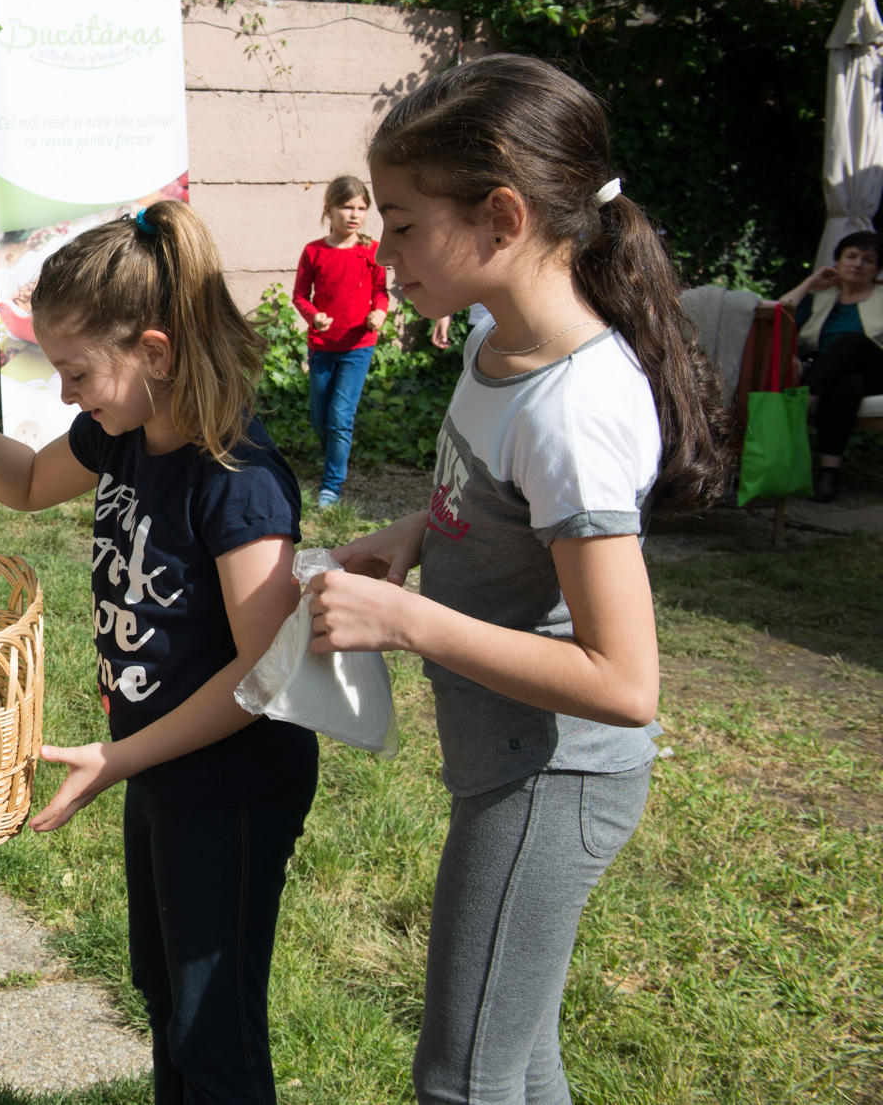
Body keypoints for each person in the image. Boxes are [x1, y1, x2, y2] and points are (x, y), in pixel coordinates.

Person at [304, 55, 729, 1105]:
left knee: (462, 1078)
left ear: (499, 217)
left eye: (402, 225)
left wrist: (406, 619)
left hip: (552, 775)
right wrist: (413, 531)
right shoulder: (496, 340)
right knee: (518, 1062)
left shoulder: (572, 410)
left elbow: (623, 680)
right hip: (507, 760)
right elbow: (488, 497)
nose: (383, 250)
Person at [0, 200, 315, 1105]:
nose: (69, 392)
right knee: (166, 996)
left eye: (78, 371)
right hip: (161, 766)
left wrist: (118, 756)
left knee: (214, 1025)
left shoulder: (238, 482)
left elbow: (268, 672)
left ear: (154, 353)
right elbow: (33, 481)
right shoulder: (124, 431)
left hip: (230, 782)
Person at [293, 174, 390, 508]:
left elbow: (381, 293)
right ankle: (336, 452)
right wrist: (314, 316)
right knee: (321, 418)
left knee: (339, 418)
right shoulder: (314, 252)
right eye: (347, 207)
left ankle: (331, 485)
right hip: (321, 347)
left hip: (358, 347)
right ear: (329, 209)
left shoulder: (371, 251)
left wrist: (379, 312)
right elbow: (300, 296)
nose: (355, 214)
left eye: (362, 208)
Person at [773, 230, 882, 502]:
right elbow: (778, 313)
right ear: (837, 263)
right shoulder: (822, 296)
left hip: (877, 370)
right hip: (832, 374)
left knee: (851, 342)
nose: (857, 263)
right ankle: (828, 473)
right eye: (851, 256)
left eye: (867, 260)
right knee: (847, 384)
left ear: (878, 270)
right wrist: (811, 281)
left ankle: (802, 404)